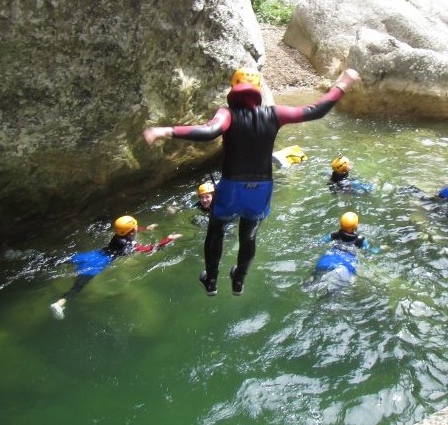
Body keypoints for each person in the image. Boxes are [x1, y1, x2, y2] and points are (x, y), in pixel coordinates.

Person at [144, 67, 360, 296]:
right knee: (248, 235)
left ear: (233, 88)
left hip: (231, 186)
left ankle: (211, 281)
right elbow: (315, 110)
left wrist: (166, 130)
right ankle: (238, 281)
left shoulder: (227, 114)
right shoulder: (274, 114)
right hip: (261, 188)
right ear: (257, 89)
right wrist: (344, 83)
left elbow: (209, 131)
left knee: (216, 231)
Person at [50, 216, 181, 319]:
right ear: (131, 232)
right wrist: (168, 239)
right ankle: (59, 304)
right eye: (135, 228)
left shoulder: (117, 236)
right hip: (99, 263)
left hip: (93, 255)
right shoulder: (130, 246)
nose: (137, 229)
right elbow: (151, 249)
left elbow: (129, 231)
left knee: (59, 260)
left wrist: (146, 228)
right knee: (78, 286)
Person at [314, 212, 373, 283]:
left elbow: (319, 243)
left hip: (327, 259)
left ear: (341, 225)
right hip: (346, 264)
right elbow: (368, 253)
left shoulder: (334, 235)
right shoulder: (361, 240)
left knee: (315, 278)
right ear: (355, 227)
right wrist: (380, 249)